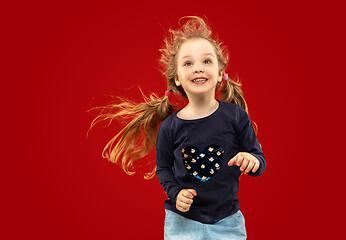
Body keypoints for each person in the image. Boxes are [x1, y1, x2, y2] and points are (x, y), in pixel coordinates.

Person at [90, 16, 266, 240]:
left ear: (221, 73)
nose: (198, 69)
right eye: (188, 63)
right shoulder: (171, 126)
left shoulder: (236, 117)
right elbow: (163, 168)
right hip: (182, 223)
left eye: (207, 61)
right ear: (177, 79)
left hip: (227, 221)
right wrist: (176, 193)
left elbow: (259, 160)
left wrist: (252, 161)